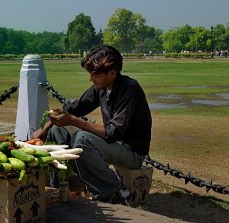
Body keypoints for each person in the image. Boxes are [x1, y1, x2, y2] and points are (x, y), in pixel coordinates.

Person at [32, 44, 152, 204]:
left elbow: (112, 132)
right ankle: (65, 186)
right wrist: (45, 128)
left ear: (112, 73)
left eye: (94, 75)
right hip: (113, 143)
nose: (90, 78)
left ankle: (114, 192)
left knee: (82, 139)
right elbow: (74, 108)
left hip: (131, 151)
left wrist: (74, 121)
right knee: (57, 132)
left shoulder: (129, 89)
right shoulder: (101, 87)